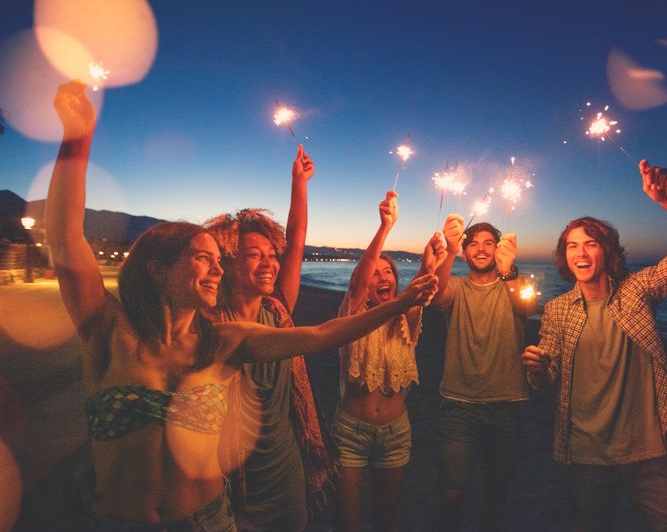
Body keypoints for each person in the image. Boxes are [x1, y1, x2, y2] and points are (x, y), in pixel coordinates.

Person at [45, 81, 437, 531]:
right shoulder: (108, 332)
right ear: (158, 269)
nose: (215, 269)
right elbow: (64, 240)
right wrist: (77, 137)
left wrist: (402, 301)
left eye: (217, 259)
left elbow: (319, 334)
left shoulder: (222, 341)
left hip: (213, 518)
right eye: (204, 259)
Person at [522, 160, 667, 531]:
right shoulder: (556, 311)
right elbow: (545, 379)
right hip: (585, 454)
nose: (580, 253)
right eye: (572, 246)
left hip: (651, 451)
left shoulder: (637, 291)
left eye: (590, 244)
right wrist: (537, 368)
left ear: (607, 250)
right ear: (564, 256)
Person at [203, 146, 327, 531]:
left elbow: (298, 238)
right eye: (254, 255)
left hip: (285, 468)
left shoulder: (278, 311)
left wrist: (299, 184)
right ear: (227, 262)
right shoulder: (205, 325)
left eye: (272, 254)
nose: (270, 262)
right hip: (227, 476)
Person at [333, 191, 445, 532]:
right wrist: (385, 228)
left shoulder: (405, 319)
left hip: (397, 432)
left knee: (388, 516)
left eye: (389, 273)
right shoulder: (350, 316)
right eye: (376, 274)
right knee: (348, 521)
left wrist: (429, 263)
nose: (384, 278)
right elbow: (358, 281)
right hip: (351, 431)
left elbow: (419, 292)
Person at [431, 216, 538, 531]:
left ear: (499, 249)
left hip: (507, 403)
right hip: (458, 404)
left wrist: (509, 269)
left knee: (496, 489)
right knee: (451, 491)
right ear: (465, 254)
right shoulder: (456, 286)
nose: (480, 249)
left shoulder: (514, 283)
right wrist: (448, 250)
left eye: (488, 243)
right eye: (473, 244)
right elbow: (436, 297)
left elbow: (527, 307)